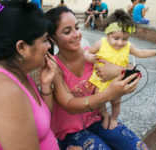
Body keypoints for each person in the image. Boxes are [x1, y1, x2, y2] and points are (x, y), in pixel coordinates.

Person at [45, 7, 149, 150]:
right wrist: (110, 93)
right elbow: (69, 104)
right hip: (71, 132)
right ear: (52, 38)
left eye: (77, 27)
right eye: (67, 31)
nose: (76, 35)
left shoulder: (92, 55)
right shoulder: (53, 67)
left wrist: (118, 70)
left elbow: (131, 67)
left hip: (99, 119)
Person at [0, 1, 60, 149]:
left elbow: (44, 123)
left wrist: (46, 84)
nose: (49, 47)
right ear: (22, 47)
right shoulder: (5, 92)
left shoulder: (19, 74)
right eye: (45, 40)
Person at [84, 9, 156, 130]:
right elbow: (87, 51)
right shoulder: (101, 43)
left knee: (116, 102)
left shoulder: (128, 46)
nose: (120, 43)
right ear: (108, 34)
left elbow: (140, 52)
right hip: (101, 80)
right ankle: (105, 115)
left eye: (125, 39)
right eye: (116, 38)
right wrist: (89, 57)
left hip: (118, 80)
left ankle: (113, 118)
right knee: (99, 100)